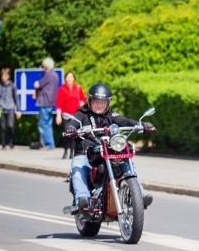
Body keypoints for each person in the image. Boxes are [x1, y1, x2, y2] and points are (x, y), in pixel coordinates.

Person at [67, 83, 154, 212]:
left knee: (127, 162)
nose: (99, 105)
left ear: (108, 103)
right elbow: (73, 122)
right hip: (87, 154)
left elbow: (125, 121)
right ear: (89, 101)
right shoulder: (82, 114)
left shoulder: (110, 115)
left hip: (107, 151)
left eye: (103, 102)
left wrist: (141, 125)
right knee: (77, 165)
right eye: (96, 102)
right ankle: (82, 198)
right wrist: (71, 128)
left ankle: (140, 194)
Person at [55, 71, 87, 159]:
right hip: (66, 114)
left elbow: (83, 100)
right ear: (65, 78)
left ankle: (73, 152)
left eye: (71, 77)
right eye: (67, 77)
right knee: (67, 133)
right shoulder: (61, 89)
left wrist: (82, 105)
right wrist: (58, 115)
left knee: (74, 134)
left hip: (76, 115)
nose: (69, 79)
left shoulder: (78, 88)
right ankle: (65, 151)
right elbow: (59, 103)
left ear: (73, 78)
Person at [33, 58, 59, 150]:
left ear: (46, 66)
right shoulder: (55, 75)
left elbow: (38, 84)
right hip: (51, 102)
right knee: (48, 123)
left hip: (44, 101)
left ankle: (48, 144)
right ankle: (51, 143)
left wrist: (36, 83)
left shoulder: (48, 75)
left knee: (43, 124)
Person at [0, 68, 21, 149]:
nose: (3, 77)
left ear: (8, 76)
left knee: (10, 126)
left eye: (5, 75)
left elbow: (16, 98)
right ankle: (3, 143)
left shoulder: (12, 86)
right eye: (2, 75)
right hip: (0, 109)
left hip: (10, 109)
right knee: (2, 127)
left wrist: (18, 110)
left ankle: (10, 142)